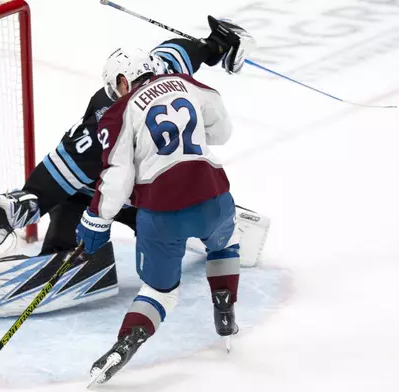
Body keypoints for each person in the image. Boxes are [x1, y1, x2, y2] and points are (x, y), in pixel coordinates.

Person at [0, 16, 261, 329]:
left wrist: (213, 45)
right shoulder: (152, 81)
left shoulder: (127, 97)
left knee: (104, 241)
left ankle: (27, 281)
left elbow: (184, 51)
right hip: (118, 195)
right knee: (92, 230)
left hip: (129, 197)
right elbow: (183, 52)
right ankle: (223, 226)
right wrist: (218, 44)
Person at [78, 20, 252, 385]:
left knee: (159, 291)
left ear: (123, 82)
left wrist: (97, 220)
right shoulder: (189, 84)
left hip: (163, 216)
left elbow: (117, 179)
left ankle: (124, 345)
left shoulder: (118, 112)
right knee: (224, 243)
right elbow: (222, 131)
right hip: (215, 198)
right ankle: (225, 305)